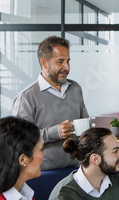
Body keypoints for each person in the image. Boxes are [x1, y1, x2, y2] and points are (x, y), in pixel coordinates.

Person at [12, 35, 88, 171]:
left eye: (68, 61)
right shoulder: (27, 97)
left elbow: (85, 124)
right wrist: (55, 132)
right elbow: (19, 140)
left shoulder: (75, 88)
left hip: (76, 172)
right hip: (42, 175)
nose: (66, 67)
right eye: (60, 62)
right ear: (44, 63)